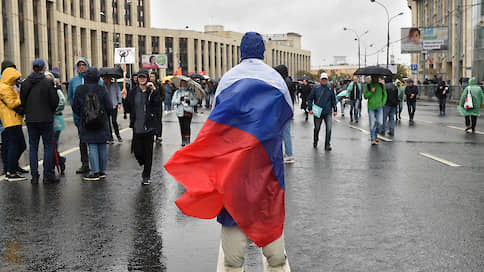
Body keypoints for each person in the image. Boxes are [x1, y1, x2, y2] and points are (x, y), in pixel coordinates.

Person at [165, 31, 291, 271]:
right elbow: (285, 118)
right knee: (272, 232)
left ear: (241, 51)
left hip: (235, 166)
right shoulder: (275, 78)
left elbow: (217, 120)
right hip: (267, 165)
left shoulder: (229, 79)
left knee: (233, 247)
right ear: (262, 51)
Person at [20, 59, 59, 184]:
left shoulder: (25, 83)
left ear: (32, 68)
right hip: (46, 118)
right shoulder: (48, 82)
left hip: (31, 119)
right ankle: (47, 175)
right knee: (48, 146)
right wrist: (50, 110)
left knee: (33, 147)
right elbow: (54, 101)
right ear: (44, 68)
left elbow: (22, 101)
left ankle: (34, 176)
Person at [72, 67, 112, 181]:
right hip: (101, 122)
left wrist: (82, 115)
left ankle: (95, 172)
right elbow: (109, 106)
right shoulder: (102, 89)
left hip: (86, 122)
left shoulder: (80, 89)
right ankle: (102, 171)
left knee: (92, 145)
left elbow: (75, 107)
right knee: (102, 145)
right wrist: (104, 116)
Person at [125, 69, 161, 185]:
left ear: (147, 79)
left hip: (149, 127)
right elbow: (128, 109)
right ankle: (144, 162)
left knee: (148, 153)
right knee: (138, 152)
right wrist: (124, 98)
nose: (141, 79)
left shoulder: (152, 91)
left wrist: (154, 91)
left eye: (144, 77)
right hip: (137, 127)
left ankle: (146, 175)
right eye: (140, 77)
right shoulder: (133, 92)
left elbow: (158, 105)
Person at [68, 57, 95, 174]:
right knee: (82, 140)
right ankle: (85, 164)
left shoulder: (94, 79)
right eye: (79, 65)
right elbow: (70, 97)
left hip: (93, 116)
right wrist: (76, 113)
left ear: (87, 66)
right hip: (80, 116)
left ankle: (96, 164)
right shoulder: (74, 81)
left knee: (93, 140)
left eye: (83, 65)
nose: (82, 67)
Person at [0, 67, 27, 181]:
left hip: (14, 120)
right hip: (11, 120)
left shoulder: (7, 87)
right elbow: (12, 103)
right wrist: (22, 97)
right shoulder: (4, 88)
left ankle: (12, 167)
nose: (16, 81)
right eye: (15, 79)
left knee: (19, 145)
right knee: (15, 146)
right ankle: (11, 172)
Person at [307, 72, 338, 150]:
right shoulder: (315, 88)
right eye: (323, 79)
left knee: (329, 128)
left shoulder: (330, 87)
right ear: (320, 80)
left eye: (325, 79)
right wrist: (310, 108)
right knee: (317, 128)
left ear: (327, 80)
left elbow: (333, 99)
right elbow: (310, 98)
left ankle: (327, 144)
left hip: (328, 111)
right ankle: (315, 140)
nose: (324, 80)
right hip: (318, 111)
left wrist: (335, 109)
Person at [45, 71, 66, 175]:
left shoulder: (56, 89)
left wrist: (53, 110)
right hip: (46, 120)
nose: (48, 80)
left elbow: (62, 102)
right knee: (49, 145)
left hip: (56, 120)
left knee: (53, 145)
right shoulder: (44, 89)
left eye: (50, 78)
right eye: (46, 78)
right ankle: (58, 161)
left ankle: (55, 164)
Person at [274, 65, 295, 163]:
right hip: (287, 109)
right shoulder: (289, 81)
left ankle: (289, 154)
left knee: (285, 133)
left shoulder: (283, 82)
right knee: (286, 133)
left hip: (283, 110)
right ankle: (288, 153)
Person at [172, 78, 198, 146]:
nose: (183, 84)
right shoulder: (177, 92)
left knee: (187, 126)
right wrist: (179, 100)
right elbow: (173, 101)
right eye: (182, 83)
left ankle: (187, 141)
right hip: (180, 112)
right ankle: (183, 140)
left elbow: (195, 101)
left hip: (188, 111)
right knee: (182, 126)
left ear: (187, 84)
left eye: (185, 83)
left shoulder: (191, 92)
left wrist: (190, 102)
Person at [364, 75, 387, 145]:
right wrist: (371, 91)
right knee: (372, 124)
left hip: (379, 107)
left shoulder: (381, 85)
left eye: (377, 77)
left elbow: (385, 95)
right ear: (372, 78)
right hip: (371, 107)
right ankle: (373, 139)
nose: (376, 78)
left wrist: (382, 103)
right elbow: (365, 96)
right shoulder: (368, 86)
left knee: (380, 123)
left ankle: (376, 134)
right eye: (374, 77)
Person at [103, 74, 123, 143]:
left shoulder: (115, 85)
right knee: (107, 122)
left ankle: (118, 136)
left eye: (108, 77)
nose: (107, 79)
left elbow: (119, 94)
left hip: (114, 105)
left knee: (114, 121)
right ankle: (110, 137)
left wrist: (119, 102)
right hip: (106, 107)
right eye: (105, 78)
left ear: (110, 78)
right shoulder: (103, 86)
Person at [149, 71, 165, 144]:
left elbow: (163, 95)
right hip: (150, 106)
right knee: (151, 120)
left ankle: (158, 135)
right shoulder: (148, 84)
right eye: (150, 76)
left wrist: (159, 100)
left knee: (158, 120)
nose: (151, 78)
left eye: (153, 76)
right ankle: (152, 134)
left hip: (158, 106)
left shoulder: (159, 85)